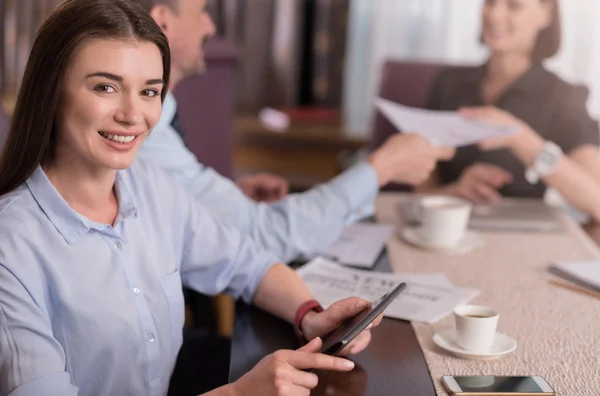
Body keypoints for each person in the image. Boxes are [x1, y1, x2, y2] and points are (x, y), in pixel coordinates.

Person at [0, 1, 382, 395]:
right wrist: (238, 393)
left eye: (149, 91)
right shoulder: (10, 247)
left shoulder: (151, 184)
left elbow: (245, 263)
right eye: (106, 87)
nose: (134, 114)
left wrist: (310, 315)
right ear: (51, 91)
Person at [130, 0, 455, 263]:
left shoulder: (164, 108)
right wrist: (382, 168)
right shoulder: (141, 130)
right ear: (164, 21)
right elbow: (271, 236)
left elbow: (173, 202)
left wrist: (227, 195)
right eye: (202, 11)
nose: (211, 27)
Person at [417, 0, 600, 221]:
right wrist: (454, 192)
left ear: (546, 14)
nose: (494, 14)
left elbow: (596, 200)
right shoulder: (447, 83)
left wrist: (521, 139)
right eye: (490, 2)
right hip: (447, 230)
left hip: (523, 240)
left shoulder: (564, 98)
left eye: (514, 5)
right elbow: (421, 194)